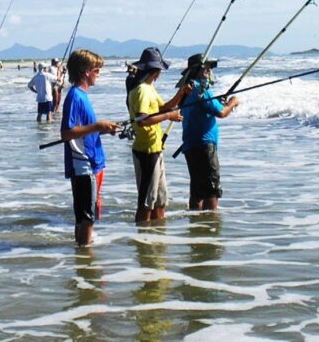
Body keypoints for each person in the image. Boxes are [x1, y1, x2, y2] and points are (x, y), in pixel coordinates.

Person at [61, 48, 118, 247]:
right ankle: (85, 261)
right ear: (85, 71)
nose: (98, 74)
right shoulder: (75, 96)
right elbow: (67, 133)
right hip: (83, 166)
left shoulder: (83, 95)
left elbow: (83, 131)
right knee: (87, 218)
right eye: (96, 70)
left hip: (91, 164)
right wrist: (97, 126)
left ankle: (82, 259)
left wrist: (103, 129)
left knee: (86, 215)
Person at [126, 47, 189, 225]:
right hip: (146, 151)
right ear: (156, 70)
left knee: (160, 200)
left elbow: (164, 108)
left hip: (156, 148)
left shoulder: (149, 88)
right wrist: (170, 117)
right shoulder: (142, 91)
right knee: (146, 202)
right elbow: (142, 120)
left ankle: (157, 239)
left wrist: (181, 93)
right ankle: (143, 242)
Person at [178, 53, 239, 211]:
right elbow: (222, 113)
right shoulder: (201, 90)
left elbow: (205, 107)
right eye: (205, 68)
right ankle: (210, 226)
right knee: (211, 191)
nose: (208, 71)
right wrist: (233, 102)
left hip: (190, 145)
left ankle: (196, 225)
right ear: (196, 70)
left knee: (197, 191)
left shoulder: (187, 91)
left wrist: (218, 103)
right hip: (205, 146)